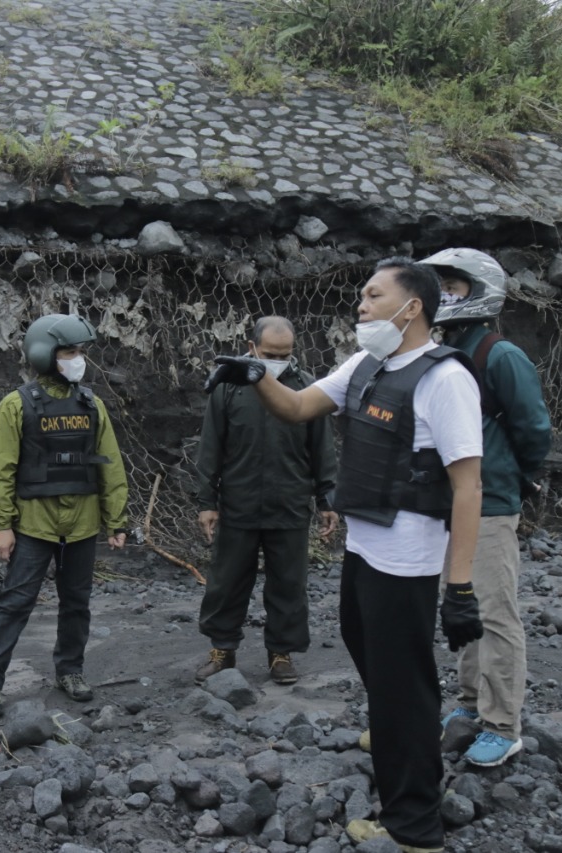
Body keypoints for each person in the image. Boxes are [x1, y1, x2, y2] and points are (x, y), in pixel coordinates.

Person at [207, 258, 485, 853]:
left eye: (373, 294)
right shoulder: (367, 365)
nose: (360, 304)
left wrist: (458, 587)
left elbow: (468, 486)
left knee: (403, 686)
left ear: (412, 308)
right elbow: (299, 406)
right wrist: (256, 374)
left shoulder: (444, 378)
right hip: (365, 547)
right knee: (381, 673)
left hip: (408, 561)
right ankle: (400, 751)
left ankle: (415, 827)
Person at [424, 248, 553, 767]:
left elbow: (534, 430)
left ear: (477, 292)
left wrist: (510, 478)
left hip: (490, 501)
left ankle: (504, 723)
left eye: (452, 286)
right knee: (463, 605)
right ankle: (471, 705)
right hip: (452, 501)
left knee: (496, 613)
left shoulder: (500, 355)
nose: (441, 296)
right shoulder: (446, 350)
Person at [0, 313, 130, 719]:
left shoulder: (91, 405)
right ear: (45, 355)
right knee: (14, 603)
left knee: (77, 603)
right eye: (70, 352)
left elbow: (109, 465)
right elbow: (1, 470)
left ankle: (70, 671)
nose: (78, 359)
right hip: (33, 524)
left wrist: (116, 521)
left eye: (80, 352)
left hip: (82, 524)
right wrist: (2, 525)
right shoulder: (17, 405)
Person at [194, 316, 338, 686]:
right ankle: (222, 651)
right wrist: (207, 501)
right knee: (226, 582)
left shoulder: (306, 389)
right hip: (238, 504)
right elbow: (211, 447)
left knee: (289, 585)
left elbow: (322, 448)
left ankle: (281, 654)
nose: (277, 360)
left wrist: (327, 499)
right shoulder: (229, 389)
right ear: (251, 348)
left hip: (289, 504)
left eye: (285, 354)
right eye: (270, 354)